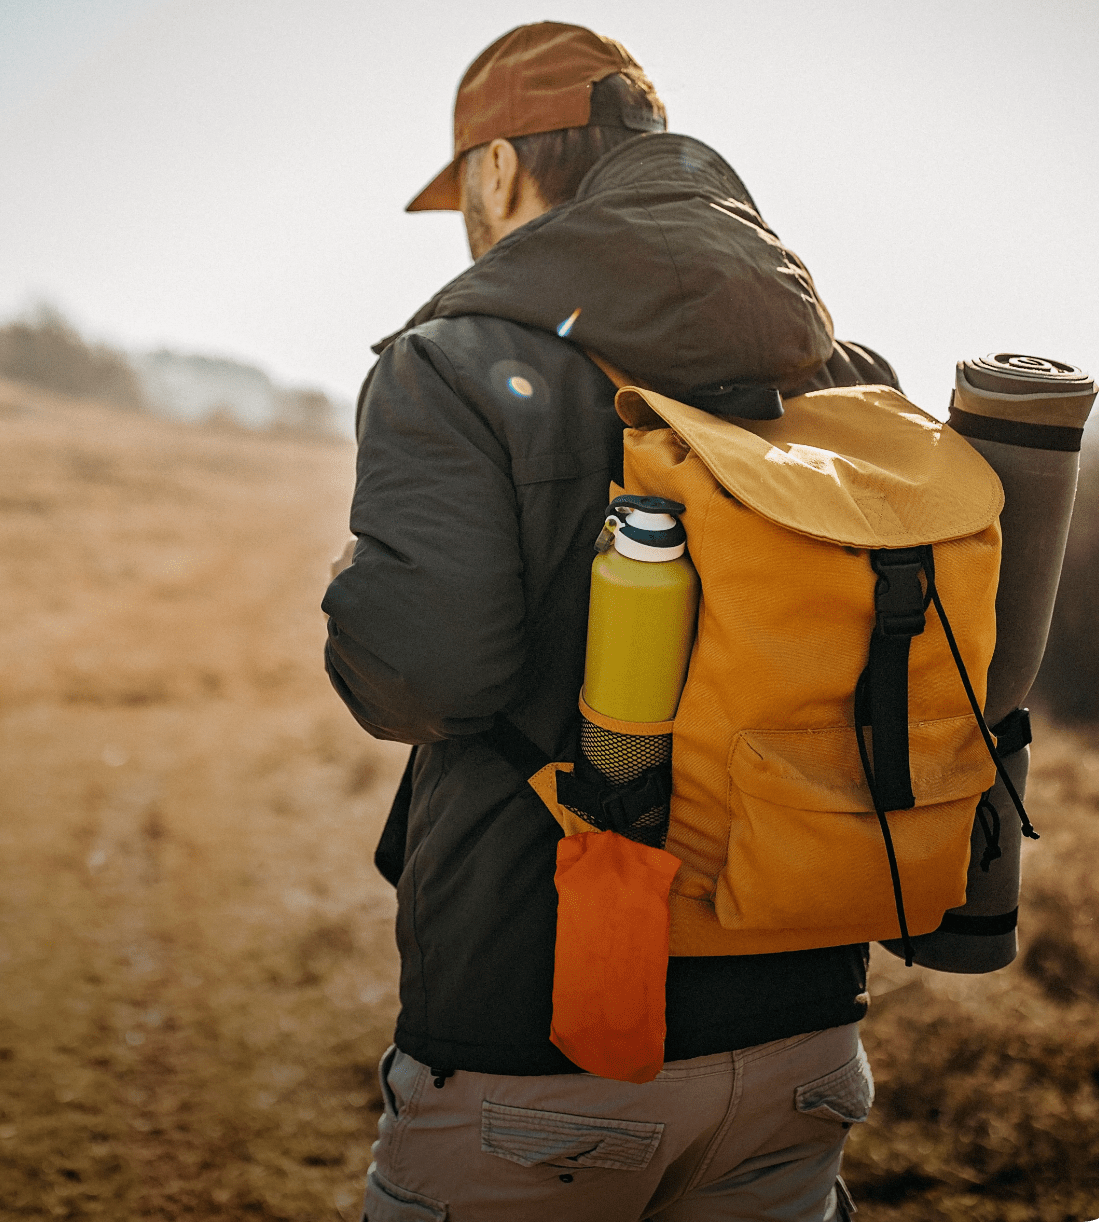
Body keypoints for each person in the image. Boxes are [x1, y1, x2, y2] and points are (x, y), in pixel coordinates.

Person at [322, 23, 899, 1222]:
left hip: (537, 1035)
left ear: (495, 167)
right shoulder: (839, 375)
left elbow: (415, 680)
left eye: (466, 192)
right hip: (802, 1029)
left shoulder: (454, 361)